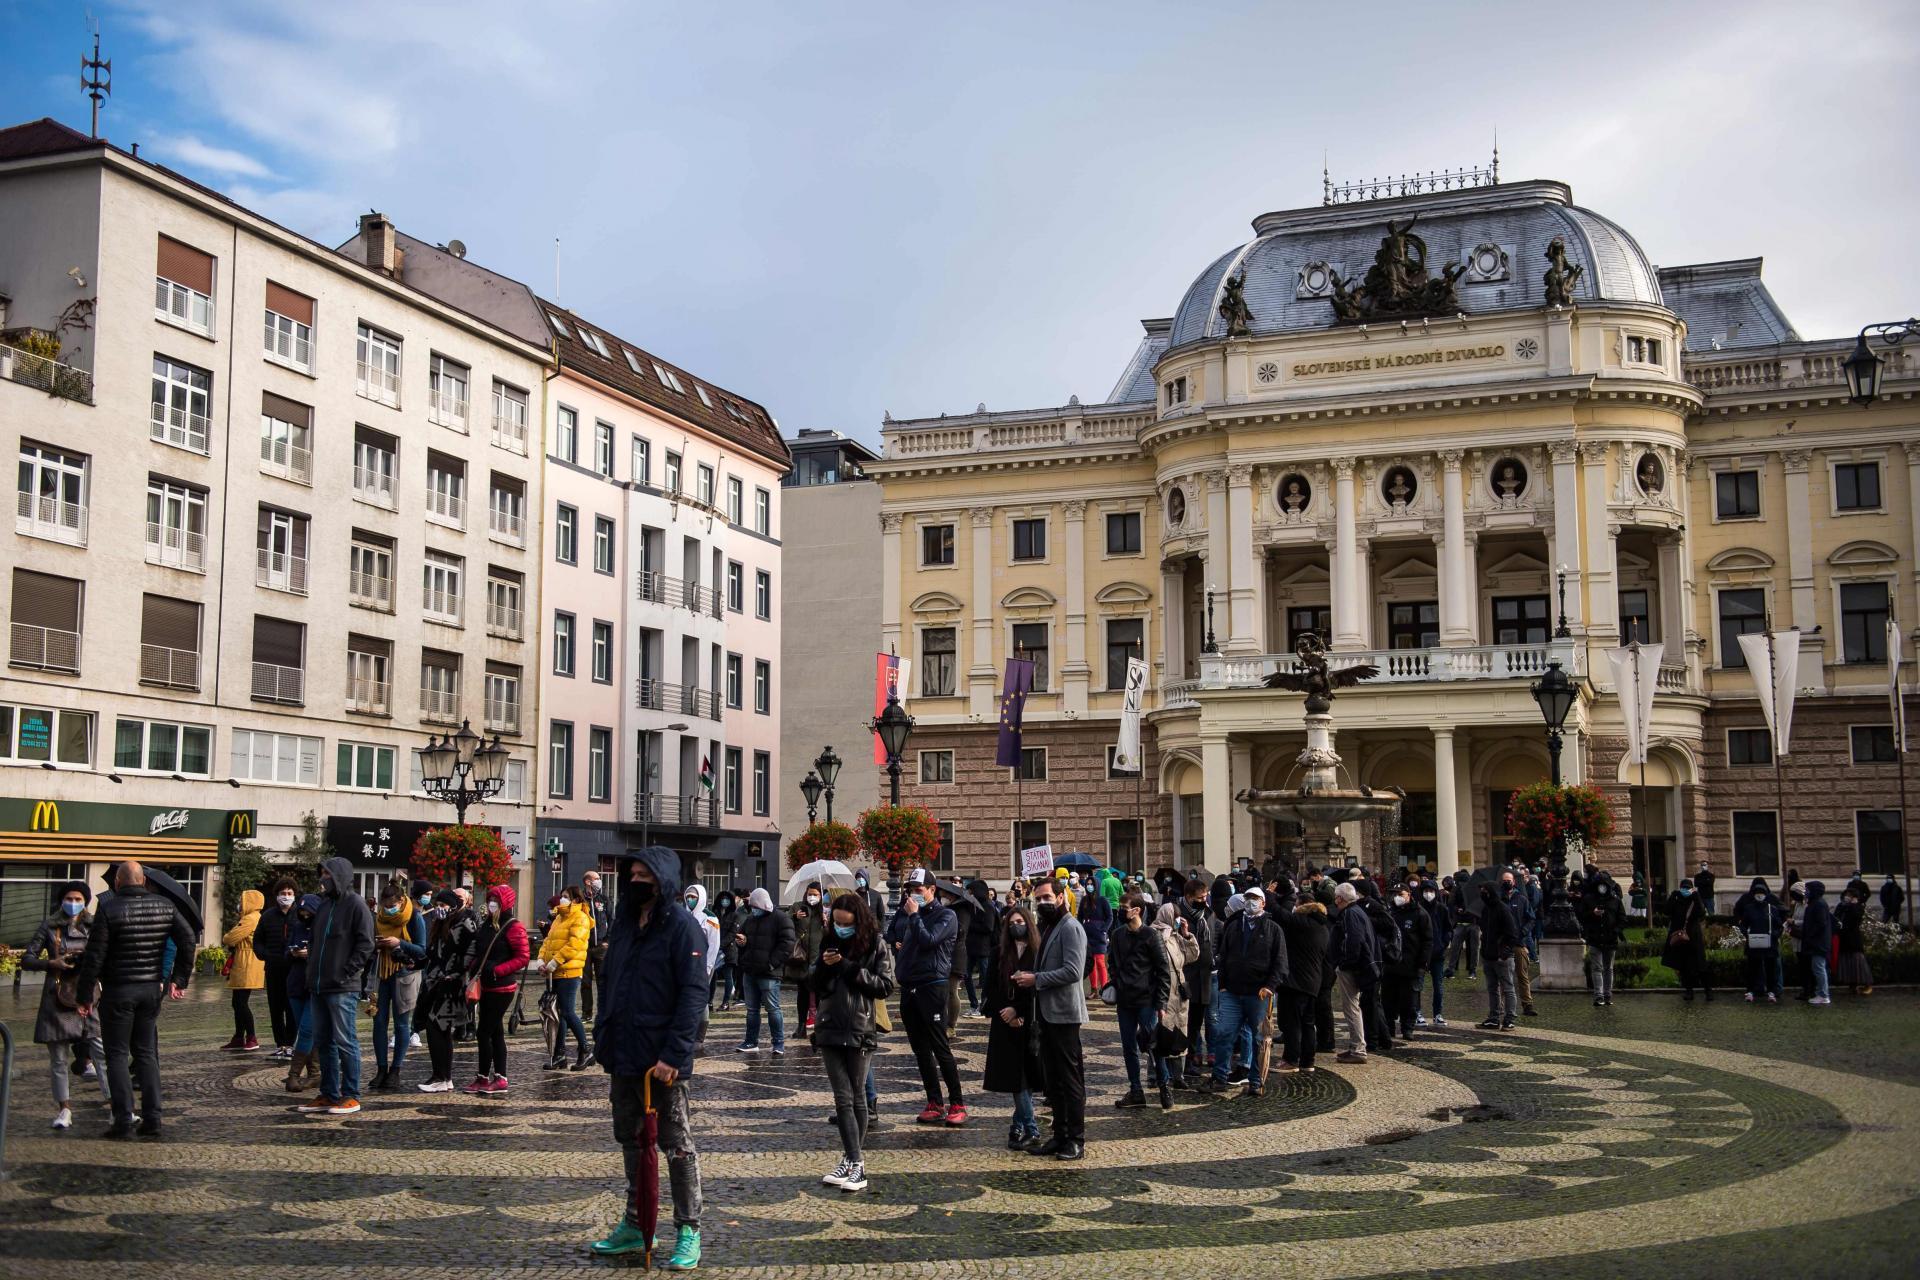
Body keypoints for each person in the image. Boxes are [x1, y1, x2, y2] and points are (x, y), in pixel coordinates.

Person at [589, 847, 710, 1269]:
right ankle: (637, 1224)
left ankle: (689, 1230)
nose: (637, 880)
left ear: (663, 879)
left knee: (676, 1145)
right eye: (633, 873)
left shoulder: (681, 926)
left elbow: (695, 993)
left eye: (646, 874)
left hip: (662, 1058)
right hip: (624, 1050)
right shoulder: (624, 922)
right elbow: (610, 980)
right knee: (632, 1142)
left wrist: (676, 1053)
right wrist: (603, 1033)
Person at [73, 861, 196, 1139]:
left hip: (118, 991)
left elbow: (95, 956)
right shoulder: (165, 905)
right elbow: (188, 939)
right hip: (151, 989)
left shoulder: (109, 909)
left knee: (116, 1055)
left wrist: (84, 995)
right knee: (146, 1053)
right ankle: (153, 1119)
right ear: (142, 881)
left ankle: (123, 1120)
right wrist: (179, 978)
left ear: (118, 882)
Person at [809, 891, 894, 1192]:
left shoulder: (874, 944)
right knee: (842, 1097)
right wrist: (824, 966)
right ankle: (851, 1160)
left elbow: (885, 986)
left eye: (846, 923)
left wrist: (847, 966)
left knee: (856, 1096)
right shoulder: (828, 940)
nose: (840, 927)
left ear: (858, 921)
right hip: (829, 1026)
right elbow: (816, 986)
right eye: (836, 923)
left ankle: (856, 1164)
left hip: (859, 1027)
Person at [22, 881, 114, 1129]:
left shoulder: (96, 925)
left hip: (89, 996)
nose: (73, 903)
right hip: (58, 996)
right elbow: (27, 959)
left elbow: (107, 956)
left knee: (102, 1053)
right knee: (59, 1059)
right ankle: (64, 1109)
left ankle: (115, 1106)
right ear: (62, 900)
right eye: (69, 898)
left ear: (85, 901)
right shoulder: (50, 925)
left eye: (78, 899)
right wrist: (52, 963)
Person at [295, 857, 376, 1117]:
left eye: (327, 875)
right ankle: (329, 1093)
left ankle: (351, 1095)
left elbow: (366, 944)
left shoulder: (356, 905)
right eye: (322, 875)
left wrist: (347, 971)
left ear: (338, 876)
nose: (323, 879)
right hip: (319, 985)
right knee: (324, 1041)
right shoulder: (325, 905)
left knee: (345, 1040)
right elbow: (317, 942)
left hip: (342, 986)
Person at [886, 868, 965, 1125]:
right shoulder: (910, 915)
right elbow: (903, 941)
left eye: (918, 890)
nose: (913, 895)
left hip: (933, 985)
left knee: (940, 1046)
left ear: (932, 890)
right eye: (910, 890)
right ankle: (934, 1100)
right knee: (920, 1050)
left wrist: (915, 916)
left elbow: (928, 940)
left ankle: (957, 1102)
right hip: (911, 986)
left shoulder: (946, 915)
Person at [1017, 876, 1086, 1159]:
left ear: (1061, 897)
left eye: (1047, 897)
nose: (1042, 902)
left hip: (1065, 1014)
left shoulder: (1071, 927)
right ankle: (1059, 1135)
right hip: (1046, 1013)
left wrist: (1036, 979)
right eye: (1039, 898)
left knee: (1069, 1079)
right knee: (1053, 1079)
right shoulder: (1049, 927)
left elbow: (1073, 971)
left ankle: (1076, 1139)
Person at [1211, 884, 1289, 1092]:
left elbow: (1280, 962)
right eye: (1247, 898)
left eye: (1255, 898)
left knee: (1258, 1038)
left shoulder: (1273, 929)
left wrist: (1270, 986)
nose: (1250, 902)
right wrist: (1223, 984)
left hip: (1258, 993)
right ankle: (1219, 1077)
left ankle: (1255, 1080)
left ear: (1263, 903)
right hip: (1232, 992)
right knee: (1225, 1033)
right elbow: (1223, 954)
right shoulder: (1234, 926)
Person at [982, 903, 1044, 1149]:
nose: (1016, 926)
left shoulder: (1037, 951)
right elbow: (990, 988)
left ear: (1028, 924)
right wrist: (1005, 1011)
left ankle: (1025, 1127)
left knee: (1024, 1080)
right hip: (1004, 1023)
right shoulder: (999, 952)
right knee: (1016, 1081)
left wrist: (1019, 1011)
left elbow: (1038, 989)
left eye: (1020, 922)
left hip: (1028, 1022)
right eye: (1012, 923)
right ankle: (1024, 1127)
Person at [461, 884, 530, 1095]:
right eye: (490, 899)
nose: (491, 904)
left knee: (484, 1032)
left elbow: (523, 957)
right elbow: (480, 950)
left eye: (496, 900)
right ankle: (499, 1076)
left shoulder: (513, 926)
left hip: (502, 986)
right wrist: (474, 967)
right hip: (486, 986)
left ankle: (485, 1076)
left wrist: (498, 970)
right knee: (495, 1031)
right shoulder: (488, 925)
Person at [1105, 891, 1169, 1109]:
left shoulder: (1151, 935)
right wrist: (1116, 980)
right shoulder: (1117, 935)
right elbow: (1111, 960)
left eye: (1124, 908)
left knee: (1153, 1046)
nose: (1121, 912)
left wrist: (1160, 1003)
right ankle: (1135, 1090)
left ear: (1137, 910)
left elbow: (1163, 970)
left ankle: (1164, 1086)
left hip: (1146, 1000)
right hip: (1125, 1000)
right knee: (1128, 1047)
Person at [417, 888, 479, 1092]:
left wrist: (457, 972)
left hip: (452, 983)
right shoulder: (440, 923)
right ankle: (442, 1076)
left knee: (438, 1026)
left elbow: (471, 950)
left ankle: (442, 1077)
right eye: (437, 905)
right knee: (436, 1027)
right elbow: (433, 952)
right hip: (436, 981)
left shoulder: (465, 923)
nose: (439, 908)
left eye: (443, 905)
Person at [369, 880, 427, 1090]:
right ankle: (381, 1068)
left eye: (392, 905)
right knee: (378, 1022)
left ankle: (396, 1070)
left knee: (402, 1023)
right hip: (382, 973)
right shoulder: (379, 918)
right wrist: (376, 944)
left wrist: (399, 943)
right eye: (385, 906)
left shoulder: (414, 917)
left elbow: (422, 950)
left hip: (404, 974)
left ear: (401, 901)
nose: (388, 909)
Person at [534, 884, 596, 1069]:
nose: (562, 899)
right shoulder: (559, 918)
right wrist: (540, 960)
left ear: (576, 899)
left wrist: (554, 962)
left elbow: (574, 945)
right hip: (553, 973)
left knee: (567, 1012)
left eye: (566, 896)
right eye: (562, 896)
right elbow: (548, 941)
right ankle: (559, 1053)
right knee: (557, 1014)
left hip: (568, 971)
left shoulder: (581, 918)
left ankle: (585, 1050)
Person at [1149, 902, 1199, 1110]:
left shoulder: (1178, 936)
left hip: (1180, 991)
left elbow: (1193, 956)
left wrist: (1187, 935)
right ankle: (1157, 1075)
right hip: (1163, 991)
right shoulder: (1155, 933)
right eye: (1175, 917)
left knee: (1180, 1032)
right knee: (1161, 1033)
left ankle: (1178, 1075)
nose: (1178, 920)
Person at [735, 886, 795, 1054]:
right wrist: (742, 943)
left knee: (773, 1009)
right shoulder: (750, 919)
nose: (753, 909)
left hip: (769, 973)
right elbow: (743, 938)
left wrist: (771, 963)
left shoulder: (781, 919)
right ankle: (751, 1041)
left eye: (755, 906)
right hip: (751, 970)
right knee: (752, 1010)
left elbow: (787, 944)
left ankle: (778, 1043)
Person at [1327, 883, 1380, 1064]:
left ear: (1340, 898)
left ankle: (1358, 1048)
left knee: (1351, 1007)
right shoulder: (1357, 911)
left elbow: (1354, 941)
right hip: (1357, 965)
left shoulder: (1350, 913)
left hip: (1352, 967)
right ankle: (1356, 1046)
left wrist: (1344, 963)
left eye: (1336, 897)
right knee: (1352, 1006)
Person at [1276, 896, 1327, 1074]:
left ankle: (1291, 1059)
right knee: (1307, 1023)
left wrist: (1270, 893)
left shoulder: (1303, 924)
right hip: (1313, 982)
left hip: (1295, 982)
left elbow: (1279, 913)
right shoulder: (1322, 927)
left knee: (1292, 1023)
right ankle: (1308, 1061)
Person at [1173, 875, 1216, 1086]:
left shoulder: (1207, 915)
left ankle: (1192, 1058)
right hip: (1186, 977)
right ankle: (1181, 1063)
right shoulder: (1178, 916)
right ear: (1189, 897)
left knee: (1197, 1022)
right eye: (1200, 897)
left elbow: (1213, 938)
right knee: (1184, 1022)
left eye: (1206, 896)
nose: (1204, 900)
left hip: (1204, 977)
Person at [253, 878, 300, 1060]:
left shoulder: (299, 915)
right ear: (276, 895)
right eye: (282, 893)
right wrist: (264, 954)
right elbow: (257, 940)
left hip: (294, 969)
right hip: (273, 968)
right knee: (275, 1008)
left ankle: (290, 1044)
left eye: (289, 893)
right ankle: (280, 1044)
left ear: (294, 895)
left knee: (292, 1007)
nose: (286, 897)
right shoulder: (268, 916)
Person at [220, 888, 266, 1052]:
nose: (240, 903)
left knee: (241, 1003)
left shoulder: (250, 919)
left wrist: (227, 937)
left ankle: (251, 1037)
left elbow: (231, 937)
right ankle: (239, 1036)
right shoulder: (252, 918)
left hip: (247, 964)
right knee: (237, 1002)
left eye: (242, 900)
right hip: (246, 963)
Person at [282, 893, 320, 1092]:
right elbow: (285, 953)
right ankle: (314, 1073)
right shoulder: (297, 927)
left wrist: (310, 953)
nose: (304, 915)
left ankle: (293, 1075)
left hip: (313, 985)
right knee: (305, 1031)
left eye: (308, 912)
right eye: (302, 912)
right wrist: (293, 952)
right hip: (296, 984)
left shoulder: (320, 929)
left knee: (306, 1029)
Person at [1383, 883, 1430, 1040]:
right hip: (1391, 964)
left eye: (1400, 894)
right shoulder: (1390, 912)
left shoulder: (1420, 914)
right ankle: (1388, 1027)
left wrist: (1422, 964)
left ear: (1409, 895)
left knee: (1409, 1000)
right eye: (1394, 894)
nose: (1397, 897)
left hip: (1410, 964)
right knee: (1388, 999)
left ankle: (1407, 1028)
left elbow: (1427, 941)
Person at [1476, 880, 1521, 1030]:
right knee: (1492, 988)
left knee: (1507, 988)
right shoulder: (1485, 909)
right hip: (1488, 955)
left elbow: (1512, 934)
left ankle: (1509, 1017)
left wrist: (1505, 952)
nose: (1482, 893)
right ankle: (1494, 1017)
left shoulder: (1503, 909)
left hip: (1501, 956)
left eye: (1484, 891)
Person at [1732, 877, 1784, 1004]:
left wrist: (1774, 935)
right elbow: (1743, 923)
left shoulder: (1772, 908)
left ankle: (1772, 991)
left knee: (1771, 967)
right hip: (1754, 943)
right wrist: (1747, 933)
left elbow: (1779, 925)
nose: (1759, 896)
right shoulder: (1749, 908)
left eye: (1762, 893)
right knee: (1753, 967)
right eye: (1757, 893)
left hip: (1769, 944)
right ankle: (1752, 990)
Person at [1580, 873, 1627, 1006]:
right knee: (1597, 967)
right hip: (1595, 938)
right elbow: (1582, 916)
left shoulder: (1615, 900)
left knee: (1608, 968)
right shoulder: (1589, 899)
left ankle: (1607, 994)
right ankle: (1598, 995)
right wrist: (1592, 914)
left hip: (1610, 939)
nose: (1602, 888)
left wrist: (1616, 931)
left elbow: (1622, 919)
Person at [1663, 878, 1710, 1002]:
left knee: (1700, 966)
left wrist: (1696, 896)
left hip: (1694, 937)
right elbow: (1667, 911)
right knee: (1684, 967)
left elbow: (1701, 913)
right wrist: (1672, 897)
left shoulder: (1694, 900)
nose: (1685, 890)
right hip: (1679, 937)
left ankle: (1708, 991)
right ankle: (1689, 991)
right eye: (1683, 888)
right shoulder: (1677, 900)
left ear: (1691, 889)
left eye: (1687, 888)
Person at [790, 883, 827, 1032]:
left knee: (818, 994)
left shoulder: (824, 909)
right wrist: (795, 916)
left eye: (815, 894)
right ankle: (801, 1025)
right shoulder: (798, 906)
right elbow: (786, 922)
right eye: (810, 894)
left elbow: (831, 933)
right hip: (802, 958)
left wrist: (826, 922)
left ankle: (819, 1025)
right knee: (802, 994)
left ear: (820, 896)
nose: (812, 897)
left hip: (818, 959)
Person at [1416, 878, 1452, 1025]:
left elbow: (1448, 928)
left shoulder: (1442, 908)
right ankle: (1417, 1012)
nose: (1428, 894)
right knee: (1418, 985)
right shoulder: (1418, 908)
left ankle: (1437, 1013)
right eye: (1426, 891)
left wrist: (1444, 944)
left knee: (1438, 986)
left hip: (1437, 953)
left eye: (1431, 891)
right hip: (1421, 954)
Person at [580, 870, 613, 1024]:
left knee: (602, 980)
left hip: (601, 946)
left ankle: (604, 1012)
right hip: (584, 947)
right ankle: (586, 1013)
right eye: (596, 879)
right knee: (585, 982)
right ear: (588, 881)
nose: (599, 881)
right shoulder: (580, 900)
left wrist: (607, 939)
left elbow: (612, 920)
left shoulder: (604, 899)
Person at [963, 879, 998, 1017]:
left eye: (971, 891)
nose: (969, 894)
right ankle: (973, 1004)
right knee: (966, 975)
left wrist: (969, 925)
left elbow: (988, 927)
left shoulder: (988, 906)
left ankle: (983, 1005)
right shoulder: (972, 906)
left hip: (984, 948)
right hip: (971, 947)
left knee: (985, 979)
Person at [1079, 871, 1113, 998]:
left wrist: (1103, 930)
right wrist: (1081, 929)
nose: (1089, 886)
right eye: (1087, 884)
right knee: (1091, 963)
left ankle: (1104, 988)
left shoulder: (1102, 900)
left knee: (1100, 962)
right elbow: (1079, 916)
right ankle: (1094, 989)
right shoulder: (1084, 900)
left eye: (1091, 884)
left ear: (1096, 885)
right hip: (1087, 935)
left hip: (1099, 936)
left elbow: (1110, 917)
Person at [1834, 887, 1874, 995]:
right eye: (1846, 895)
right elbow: (1835, 917)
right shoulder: (1841, 906)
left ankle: (1867, 984)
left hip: (1853, 938)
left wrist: (1853, 905)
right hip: (1843, 937)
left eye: (1850, 896)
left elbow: (1857, 918)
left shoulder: (1857, 907)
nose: (1847, 897)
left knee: (1858, 961)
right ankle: (1852, 984)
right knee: (1846, 962)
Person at [1801, 882, 1835, 1005]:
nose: (1805, 892)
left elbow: (1821, 923)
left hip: (1818, 943)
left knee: (1819, 968)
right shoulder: (1816, 903)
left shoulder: (1818, 904)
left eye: (1807, 889)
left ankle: (1823, 995)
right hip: (1818, 941)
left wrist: (1810, 935)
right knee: (1818, 968)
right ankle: (1821, 993)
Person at [710, 889, 740, 1011]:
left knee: (728, 976)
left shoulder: (734, 915)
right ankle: (709, 1001)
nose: (724, 901)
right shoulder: (714, 913)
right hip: (714, 949)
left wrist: (720, 945)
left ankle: (725, 1002)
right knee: (712, 976)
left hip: (728, 950)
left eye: (727, 899)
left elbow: (733, 933)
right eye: (722, 899)